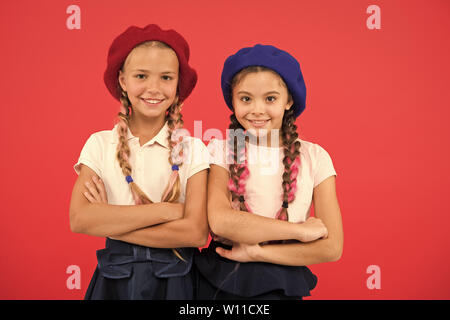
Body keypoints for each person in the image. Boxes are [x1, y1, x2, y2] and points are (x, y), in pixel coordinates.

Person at [69, 24, 210, 300]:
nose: (153, 88)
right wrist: (168, 211)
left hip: (176, 285)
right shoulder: (99, 144)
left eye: (166, 78)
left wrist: (109, 219)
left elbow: (195, 232)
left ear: (178, 83)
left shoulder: (195, 149)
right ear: (123, 80)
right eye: (141, 76)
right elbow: (80, 218)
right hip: (114, 282)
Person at [194, 44, 343, 300]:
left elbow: (332, 247)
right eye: (246, 98)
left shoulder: (315, 157)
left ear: (289, 101)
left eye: (270, 98)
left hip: (283, 282)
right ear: (233, 100)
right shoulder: (220, 150)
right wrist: (300, 232)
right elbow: (221, 221)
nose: (257, 110)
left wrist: (258, 253)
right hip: (220, 279)